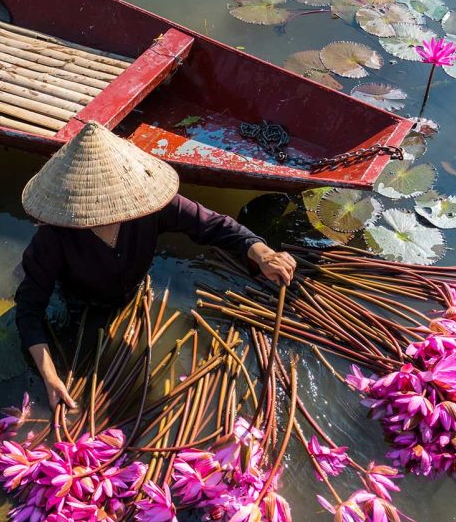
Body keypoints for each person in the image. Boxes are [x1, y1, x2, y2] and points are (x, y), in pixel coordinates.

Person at [15, 122, 296, 410]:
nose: (108, 212)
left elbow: (212, 225)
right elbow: (28, 309)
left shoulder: (148, 205)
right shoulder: (54, 237)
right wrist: (50, 376)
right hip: (80, 302)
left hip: (132, 290)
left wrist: (261, 253)